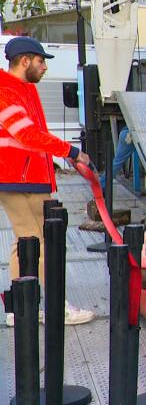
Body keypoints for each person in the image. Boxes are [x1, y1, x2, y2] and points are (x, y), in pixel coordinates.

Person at [0, 36, 96, 326]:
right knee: (37, 242)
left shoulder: (24, 90)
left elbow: (35, 135)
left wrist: (61, 154)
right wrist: (72, 151)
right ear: (25, 61)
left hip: (26, 178)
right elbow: (26, 134)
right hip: (17, 178)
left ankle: (19, 307)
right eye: (41, 62)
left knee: (27, 241)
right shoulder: (7, 91)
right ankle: (49, 306)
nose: (44, 68)